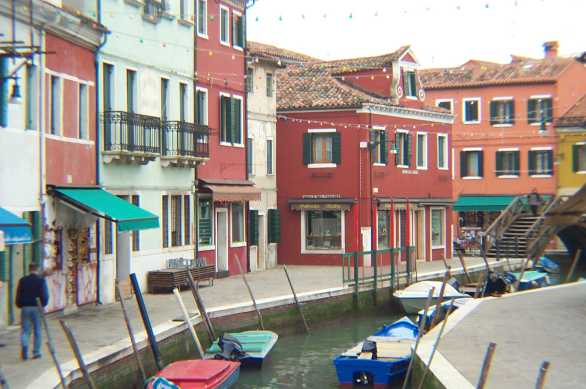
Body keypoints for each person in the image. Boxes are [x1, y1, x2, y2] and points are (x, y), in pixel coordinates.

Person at [15, 262, 49, 360]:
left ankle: (25, 348)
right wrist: (43, 304)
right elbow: (45, 295)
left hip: (25, 307)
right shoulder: (41, 281)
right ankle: (36, 352)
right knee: (37, 330)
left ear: (29, 269)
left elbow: (18, 295)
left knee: (25, 330)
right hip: (37, 307)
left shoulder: (22, 280)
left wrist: (20, 304)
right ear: (37, 269)